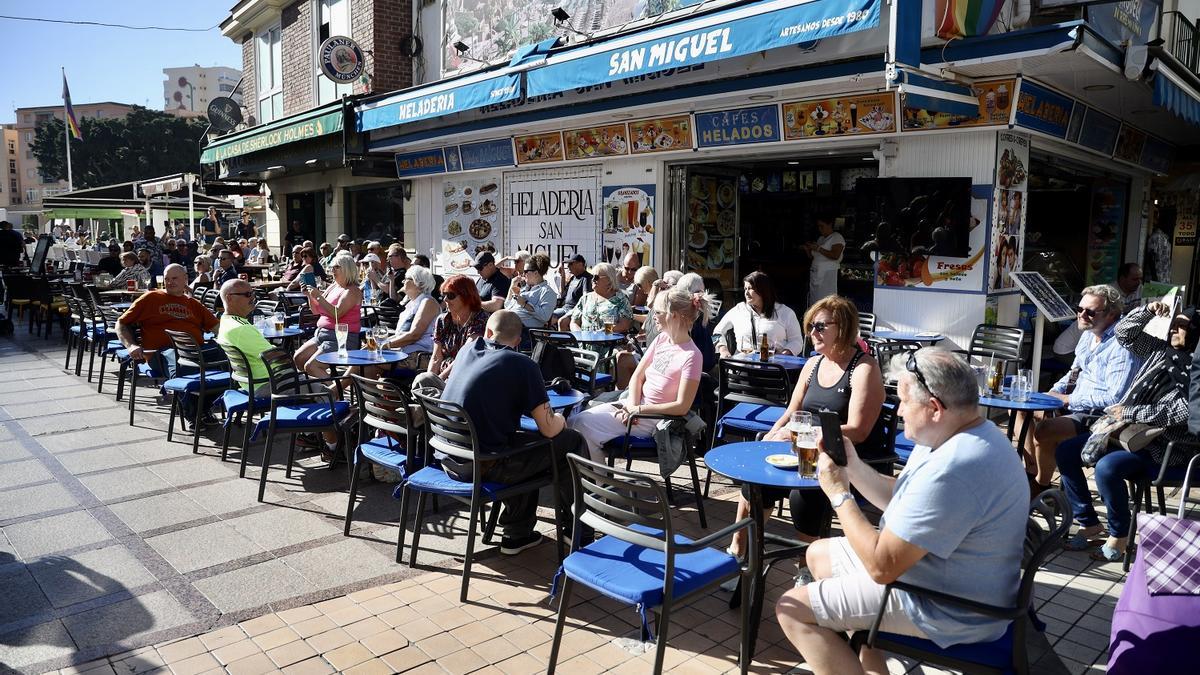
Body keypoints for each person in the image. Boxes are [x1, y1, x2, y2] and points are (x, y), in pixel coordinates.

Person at [776, 349, 1030, 675]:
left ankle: (862, 648)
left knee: (791, 609)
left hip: (949, 607)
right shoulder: (962, 434)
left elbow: (881, 567)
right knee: (818, 554)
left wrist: (839, 496)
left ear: (935, 408)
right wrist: (853, 466)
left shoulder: (955, 466)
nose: (898, 410)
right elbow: (906, 496)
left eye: (904, 401)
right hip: (944, 576)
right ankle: (871, 659)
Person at [729, 296, 884, 559]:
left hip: (843, 456)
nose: (812, 333)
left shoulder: (863, 368)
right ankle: (739, 551)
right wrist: (771, 436)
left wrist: (806, 435)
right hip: (802, 449)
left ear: (843, 327)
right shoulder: (813, 364)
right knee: (756, 483)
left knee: (803, 496)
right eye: (810, 326)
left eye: (820, 326)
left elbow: (859, 431)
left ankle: (807, 566)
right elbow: (791, 411)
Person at [1057, 302, 1200, 562]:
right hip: (1126, 433)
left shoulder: (1197, 369)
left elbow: (1182, 412)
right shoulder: (1160, 350)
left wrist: (1131, 413)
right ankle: (1089, 523)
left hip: (1164, 448)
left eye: (1182, 326)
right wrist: (1148, 310)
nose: (1173, 329)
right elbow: (1124, 333)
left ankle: (1119, 535)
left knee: (1107, 468)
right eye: (1174, 323)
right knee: (1066, 451)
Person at [438, 310, 588, 553]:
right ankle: (578, 530)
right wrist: (561, 419)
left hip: (449, 458)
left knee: (526, 446)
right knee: (569, 441)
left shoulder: (467, 349)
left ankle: (518, 534)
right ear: (518, 341)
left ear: (488, 332)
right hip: (484, 464)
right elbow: (549, 429)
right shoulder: (522, 364)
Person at [570, 287, 709, 460]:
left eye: (657, 312)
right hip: (635, 407)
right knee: (575, 420)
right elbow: (637, 376)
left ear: (673, 315)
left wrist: (638, 410)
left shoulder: (692, 355)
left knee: (583, 425)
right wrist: (632, 406)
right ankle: (596, 473)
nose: (653, 316)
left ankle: (597, 474)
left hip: (655, 419)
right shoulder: (661, 339)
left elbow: (682, 406)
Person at [1025, 284, 1140, 492]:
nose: (1082, 315)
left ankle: (1041, 486)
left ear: (1111, 314)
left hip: (1101, 416)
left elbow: (1116, 398)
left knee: (1044, 430)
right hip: (1076, 403)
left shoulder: (1121, 345)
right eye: (1079, 309)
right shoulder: (1088, 334)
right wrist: (1051, 394)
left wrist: (1067, 399)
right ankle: (1034, 471)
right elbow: (1074, 373)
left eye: (1090, 312)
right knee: (1021, 410)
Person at [116, 264, 219, 379]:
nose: (170, 282)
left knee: (224, 356)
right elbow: (121, 323)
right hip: (163, 353)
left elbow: (218, 328)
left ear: (185, 279)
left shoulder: (193, 303)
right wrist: (131, 346)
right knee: (185, 370)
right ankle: (187, 387)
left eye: (174, 278)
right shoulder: (151, 297)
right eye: (167, 279)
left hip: (195, 351)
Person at [294, 254, 363, 379]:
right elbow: (316, 311)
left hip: (341, 338)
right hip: (322, 334)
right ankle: (319, 386)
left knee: (311, 366)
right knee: (298, 358)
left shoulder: (352, 291)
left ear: (347, 269)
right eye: (332, 267)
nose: (333, 270)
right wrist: (309, 295)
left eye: (337, 267)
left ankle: (335, 389)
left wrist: (318, 296)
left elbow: (337, 314)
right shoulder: (334, 286)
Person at [713, 271, 805, 357]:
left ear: (763, 290)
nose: (746, 293)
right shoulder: (738, 310)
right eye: (745, 289)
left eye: (750, 289)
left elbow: (796, 341)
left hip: (774, 365)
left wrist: (783, 354)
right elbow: (717, 332)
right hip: (742, 364)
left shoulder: (785, 312)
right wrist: (723, 350)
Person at [381, 265, 439, 366]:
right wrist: (380, 343)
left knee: (370, 360)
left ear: (419, 284)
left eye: (407, 278)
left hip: (420, 356)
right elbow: (401, 334)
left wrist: (387, 345)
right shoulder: (412, 303)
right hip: (405, 351)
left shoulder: (428, 302)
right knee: (366, 356)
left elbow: (414, 335)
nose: (403, 281)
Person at [504, 253, 558, 349]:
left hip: (526, 332)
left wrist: (525, 304)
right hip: (512, 327)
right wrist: (511, 287)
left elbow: (545, 316)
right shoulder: (524, 289)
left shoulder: (547, 292)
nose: (523, 274)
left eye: (526, 271)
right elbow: (507, 306)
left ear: (536, 273)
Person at [569, 262, 633, 333]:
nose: (593, 280)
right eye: (592, 276)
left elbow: (624, 325)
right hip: (585, 339)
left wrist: (604, 331)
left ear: (609, 280)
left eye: (596, 277)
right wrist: (580, 334)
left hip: (609, 339)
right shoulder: (585, 298)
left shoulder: (620, 299)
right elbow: (573, 322)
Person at [805, 215, 845, 307]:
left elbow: (835, 255)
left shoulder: (837, 237)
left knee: (826, 301)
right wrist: (807, 249)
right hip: (816, 274)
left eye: (822, 226)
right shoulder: (821, 239)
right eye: (818, 226)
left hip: (828, 275)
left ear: (829, 224)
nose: (820, 229)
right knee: (815, 301)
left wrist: (818, 248)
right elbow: (814, 258)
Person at [554, 254, 593, 329]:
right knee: (547, 317)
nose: (568, 266)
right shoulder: (573, 278)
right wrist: (563, 276)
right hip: (565, 308)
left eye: (571, 263)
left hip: (574, 309)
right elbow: (562, 294)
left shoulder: (586, 278)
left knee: (560, 321)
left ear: (580, 264)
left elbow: (586, 297)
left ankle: (564, 337)